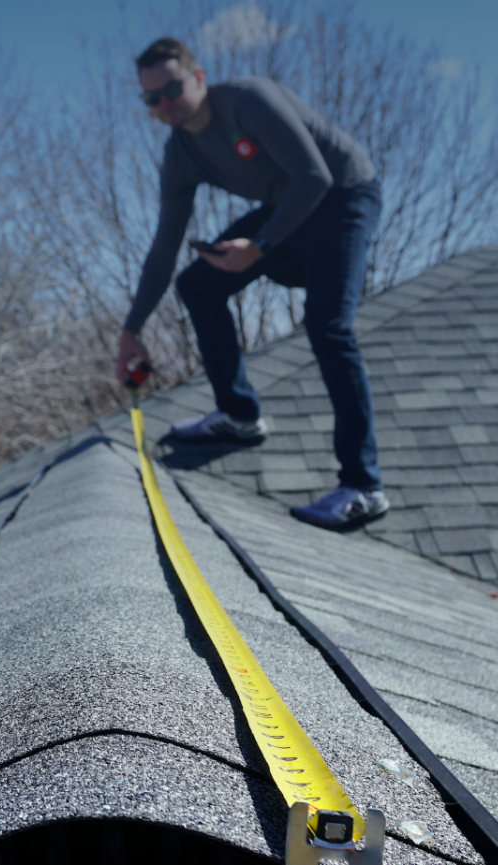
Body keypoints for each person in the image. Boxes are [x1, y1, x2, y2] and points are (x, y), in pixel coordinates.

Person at [114, 38, 388, 532]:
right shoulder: (180, 155)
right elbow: (163, 246)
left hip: (343, 196)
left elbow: (313, 176)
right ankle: (239, 415)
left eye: (172, 89)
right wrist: (131, 329)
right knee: (198, 284)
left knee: (328, 328)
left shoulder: (247, 101)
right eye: (151, 99)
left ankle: (363, 487)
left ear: (199, 78)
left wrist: (258, 247)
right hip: (288, 209)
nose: (164, 104)